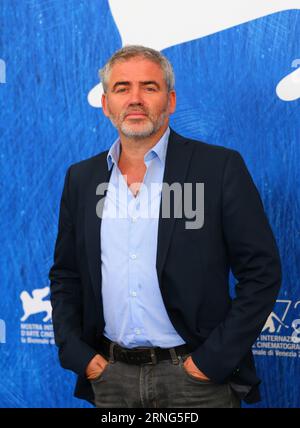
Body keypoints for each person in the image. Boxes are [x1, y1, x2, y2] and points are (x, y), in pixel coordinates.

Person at [49, 45, 282, 408]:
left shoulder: (217, 169)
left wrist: (212, 361)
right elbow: (66, 274)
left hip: (196, 381)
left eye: (150, 87)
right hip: (111, 378)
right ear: (106, 103)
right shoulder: (82, 179)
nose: (136, 99)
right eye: (122, 88)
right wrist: (79, 355)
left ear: (170, 101)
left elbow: (262, 272)